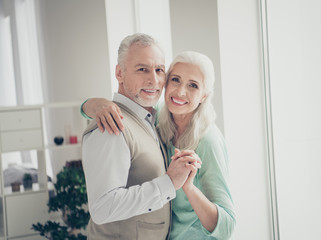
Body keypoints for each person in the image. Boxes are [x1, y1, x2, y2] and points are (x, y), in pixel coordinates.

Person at [82, 50, 236, 239]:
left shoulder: (208, 140)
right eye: (176, 80)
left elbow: (227, 226)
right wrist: (95, 104)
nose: (180, 92)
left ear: (204, 95)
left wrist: (188, 187)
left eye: (193, 86)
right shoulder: (158, 117)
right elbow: (109, 109)